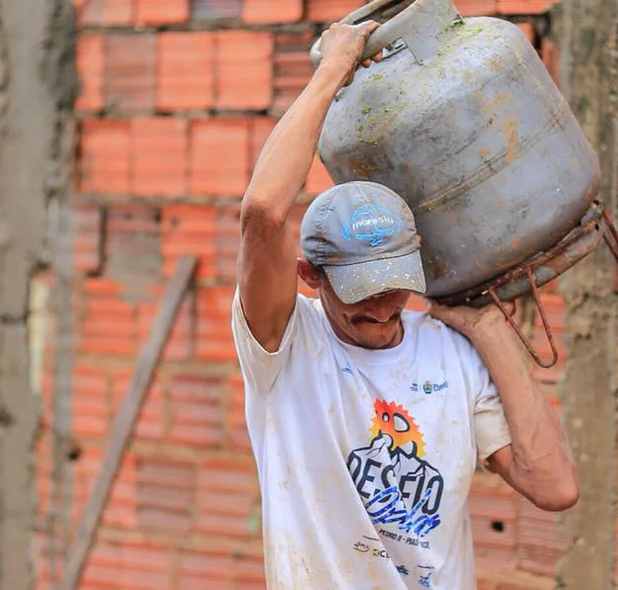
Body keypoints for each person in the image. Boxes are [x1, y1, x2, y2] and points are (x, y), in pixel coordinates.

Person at [231, 20, 579, 590]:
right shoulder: (286, 348)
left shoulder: (449, 353)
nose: (382, 306)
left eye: (394, 282)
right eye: (360, 289)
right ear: (310, 276)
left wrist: (489, 330)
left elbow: (555, 487)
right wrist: (332, 71)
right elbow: (262, 216)